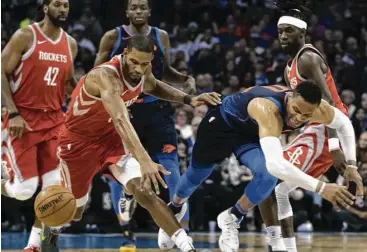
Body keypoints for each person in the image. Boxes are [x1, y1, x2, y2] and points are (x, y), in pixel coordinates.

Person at [39, 35, 221, 252]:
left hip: (110, 141)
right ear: (125, 54)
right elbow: (120, 120)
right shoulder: (106, 76)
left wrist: (189, 99)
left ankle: (187, 246)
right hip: (78, 144)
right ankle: (51, 230)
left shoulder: (143, 71)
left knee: (144, 191)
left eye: (145, 64)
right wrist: (144, 160)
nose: (138, 69)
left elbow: (152, 85)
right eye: (134, 62)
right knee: (74, 212)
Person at [164, 83, 357, 252]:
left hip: (250, 136)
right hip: (222, 126)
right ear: (290, 97)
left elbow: (345, 125)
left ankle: (233, 217)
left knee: (267, 177)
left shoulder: (316, 109)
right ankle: (175, 208)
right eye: (296, 110)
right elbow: (277, 164)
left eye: (306, 115)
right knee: (195, 177)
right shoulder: (267, 107)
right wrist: (322, 188)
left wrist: (352, 165)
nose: (298, 118)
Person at [258, 4, 364, 252]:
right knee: (279, 188)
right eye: (280, 31)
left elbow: (329, 106)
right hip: (315, 130)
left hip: (329, 129)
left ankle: (279, 246)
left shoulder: (307, 57)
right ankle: (287, 249)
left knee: (269, 181)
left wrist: (336, 148)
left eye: (288, 31)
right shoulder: (288, 68)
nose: (282, 36)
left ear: (302, 33)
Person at [94, 0, 195, 249]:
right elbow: (97, 72)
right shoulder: (112, 37)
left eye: (142, 7)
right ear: (127, 11)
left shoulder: (161, 37)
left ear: (149, 11)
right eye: (134, 7)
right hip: (125, 109)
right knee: (124, 173)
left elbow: (164, 72)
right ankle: (128, 235)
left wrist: (184, 79)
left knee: (172, 170)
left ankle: (182, 231)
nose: (138, 11)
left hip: (158, 112)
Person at [1, 1, 77, 251]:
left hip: (54, 120)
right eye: (57, 4)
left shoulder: (70, 44)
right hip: (22, 119)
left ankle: (36, 244)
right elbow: (1, 70)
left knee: (56, 187)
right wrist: (12, 113)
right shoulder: (26, 35)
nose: (62, 9)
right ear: (46, 8)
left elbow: (68, 83)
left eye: (66, 5)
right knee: (24, 190)